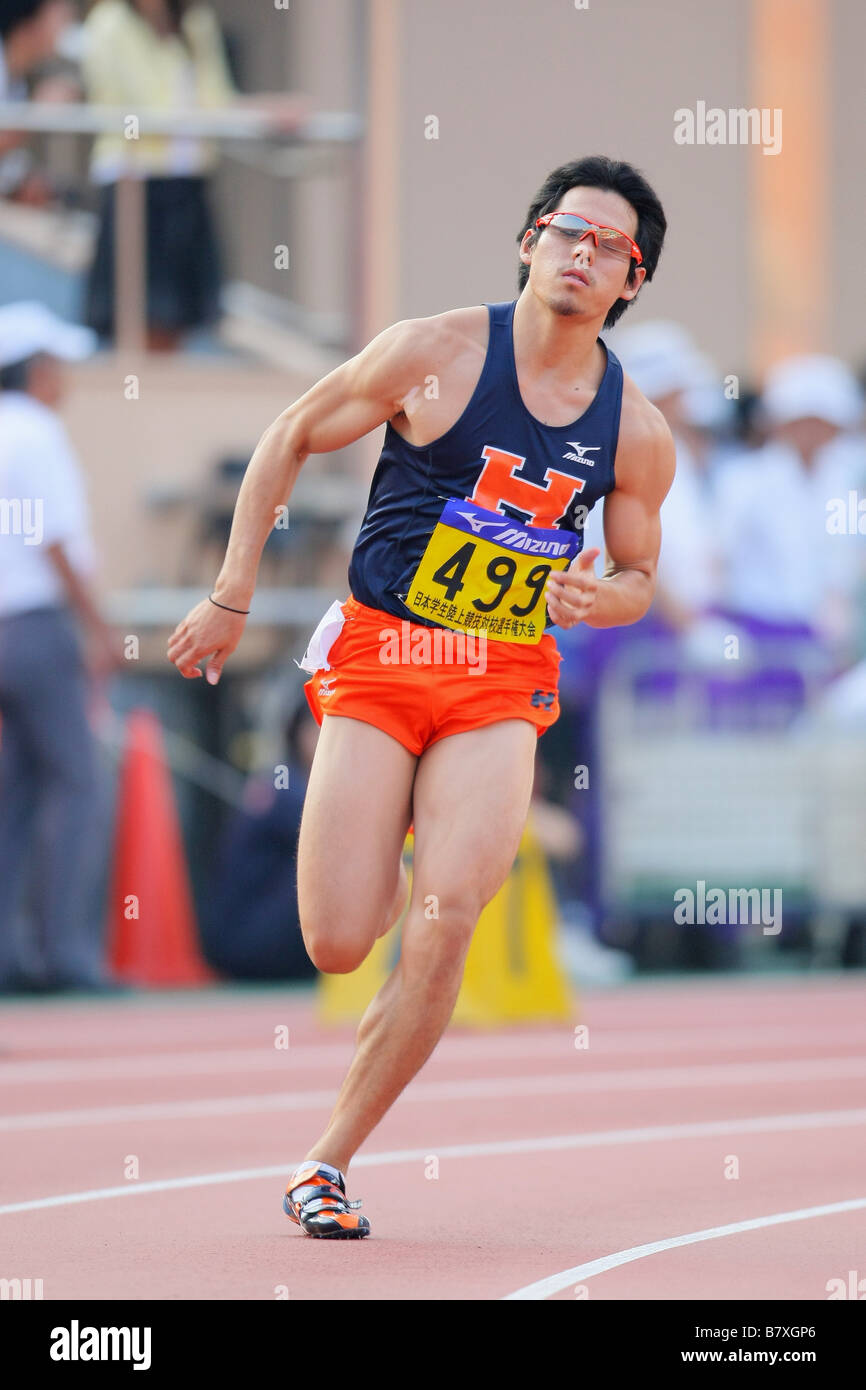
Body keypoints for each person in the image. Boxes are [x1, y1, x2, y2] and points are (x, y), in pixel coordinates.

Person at [167, 154, 676, 1237]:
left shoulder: (635, 431)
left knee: (446, 920)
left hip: (497, 678)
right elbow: (291, 434)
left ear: (631, 283)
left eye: (608, 249)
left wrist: (601, 594)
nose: (581, 255)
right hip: (381, 657)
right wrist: (230, 593)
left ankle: (327, 1160)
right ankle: (382, 849)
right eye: (566, 232)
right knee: (340, 942)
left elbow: (640, 577)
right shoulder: (433, 350)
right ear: (529, 240)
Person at [0, 300, 121, 991]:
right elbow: (54, 541)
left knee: (15, 795)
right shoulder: (38, 434)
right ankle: (63, 953)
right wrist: (98, 629)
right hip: (38, 627)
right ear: (38, 370)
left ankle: (11, 957)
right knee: (76, 785)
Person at [79, 0, 306, 350]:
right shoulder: (109, 23)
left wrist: (262, 113)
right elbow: (137, 111)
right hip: (135, 184)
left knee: (177, 318)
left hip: (186, 183)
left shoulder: (195, 21)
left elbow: (216, 101)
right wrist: (227, 116)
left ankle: (153, 394)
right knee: (138, 316)